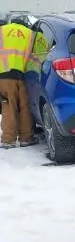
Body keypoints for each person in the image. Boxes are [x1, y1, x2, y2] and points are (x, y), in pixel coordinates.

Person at [0, 20, 37, 148]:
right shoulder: (30, 34)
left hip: (4, 76)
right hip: (24, 76)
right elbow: (36, 56)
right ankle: (26, 138)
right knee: (25, 107)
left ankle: (8, 140)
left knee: (8, 107)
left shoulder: (2, 31)